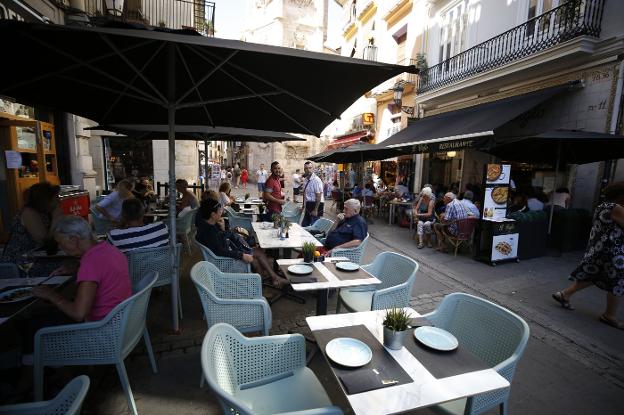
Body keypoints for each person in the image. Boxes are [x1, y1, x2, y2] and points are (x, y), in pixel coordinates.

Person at [552, 182, 624, 330]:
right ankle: (609, 315)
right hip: (613, 252)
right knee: (618, 283)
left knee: (594, 275)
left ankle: (564, 294)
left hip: (599, 248)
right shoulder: (616, 208)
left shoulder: (601, 206)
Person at [196, 199, 287, 287]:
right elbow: (220, 251)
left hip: (223, 257)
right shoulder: (209, 232)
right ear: (213, 215)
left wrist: (223, 229)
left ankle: (262, 282)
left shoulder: (208, 226)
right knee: (259, 253)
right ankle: (273, 278)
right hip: (225, 261)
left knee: (256, 258)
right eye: (219, 211)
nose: (222, 212)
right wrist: (241, 255)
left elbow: (221, 243)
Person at [1, 182, 64, 277]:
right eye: (56, 198)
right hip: (22, 262)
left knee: (73, 263)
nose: (59, 201)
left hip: (38, 257)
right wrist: (56, 219)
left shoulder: (45, 213)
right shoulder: (29, 212)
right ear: (46, 200)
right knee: (64, 268)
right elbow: (44, 241)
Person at [301, 161, 324, 227]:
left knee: (314, 227)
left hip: (315, 205)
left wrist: (315, 210)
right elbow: (304, 193)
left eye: (310, 168)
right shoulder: (305, 180)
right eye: (306, 168)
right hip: (308, 205)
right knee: (304, 225)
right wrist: (303, 205)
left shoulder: (316, 180)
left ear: (313, 169)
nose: (308, 170)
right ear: (304, 169)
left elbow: (318, 196)